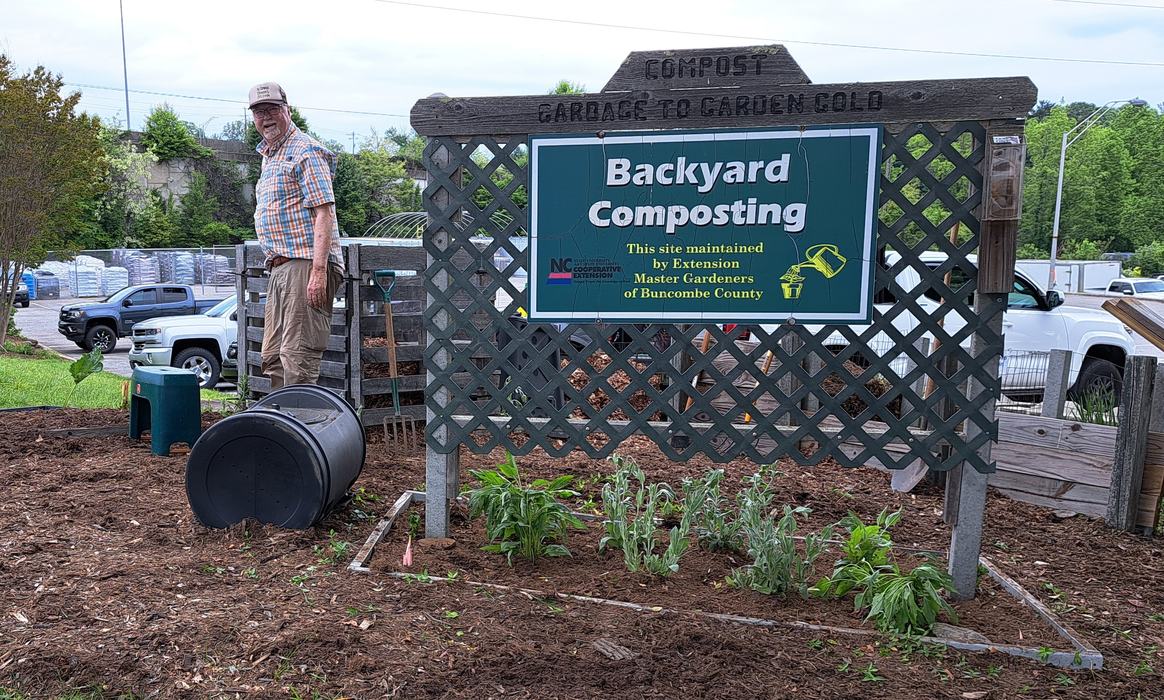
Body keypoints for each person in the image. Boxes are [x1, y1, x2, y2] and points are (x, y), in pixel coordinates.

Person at [249, 81, 344, 388]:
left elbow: (324, 213)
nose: (266, 117)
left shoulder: (306, 151)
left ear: (287, 110)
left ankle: (301, 417)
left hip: (305, 264)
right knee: (274, 357)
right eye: (259, 112)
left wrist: (318, 271)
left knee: (297, 356)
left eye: (272, 109)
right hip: (280, 267)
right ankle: (281, 418)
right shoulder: (270, 156)